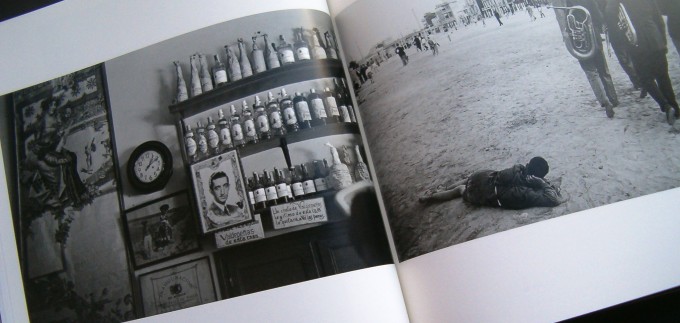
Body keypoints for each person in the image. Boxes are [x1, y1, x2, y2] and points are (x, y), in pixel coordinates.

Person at [616, 0, 679, 125]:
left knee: (646, 79)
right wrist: (663, 42)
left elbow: (615, 25)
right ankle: (675, 108)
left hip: (636, 45)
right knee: (663, 76)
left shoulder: (617, 3)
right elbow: (658, 19)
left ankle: (666, 106)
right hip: (654, 39)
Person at [418, 157, 566, 210]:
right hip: (484, 193)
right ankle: (430, 198)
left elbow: (504, 176)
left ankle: (441, 189)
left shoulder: (516, 171)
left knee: (469, 178)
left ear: (527, 165)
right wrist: (542, 184)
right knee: (460, 189)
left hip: (483, 177)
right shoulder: (525, 192)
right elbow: (552, 199)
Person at [553, 0, 619, 118]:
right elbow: (597, 14)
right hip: (593, 34)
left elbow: (561, 18)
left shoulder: (563, 3)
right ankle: (613, 98)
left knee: (591, 73)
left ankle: (605, 102)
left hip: (578, 41)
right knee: (603, 69)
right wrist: (598, 26)